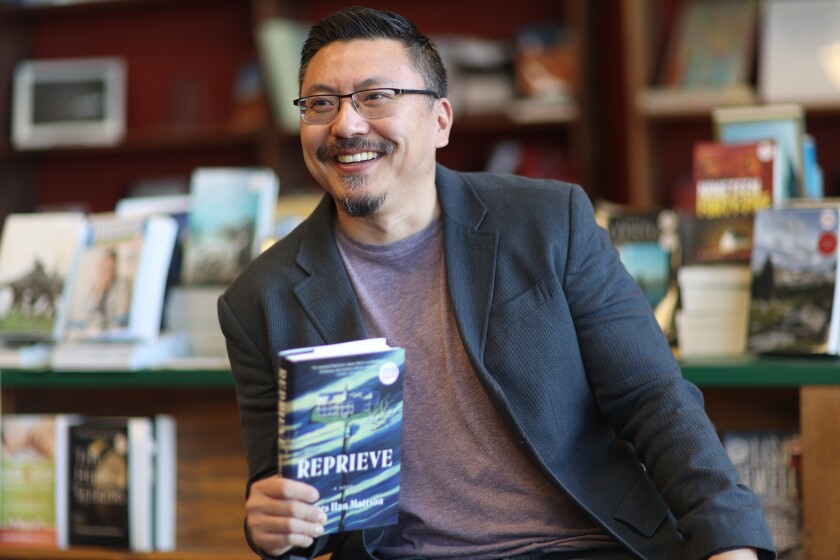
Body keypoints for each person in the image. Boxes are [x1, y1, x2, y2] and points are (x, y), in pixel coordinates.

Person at [217, 6, 775, 560]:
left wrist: (730, 543)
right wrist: (273, 527)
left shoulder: (550, 221)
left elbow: (652, 398)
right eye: (321, 104)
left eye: (375, 96)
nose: (345, 124)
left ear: (440, 120)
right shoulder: (258, 301)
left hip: (584, 544)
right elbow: (289, 503)